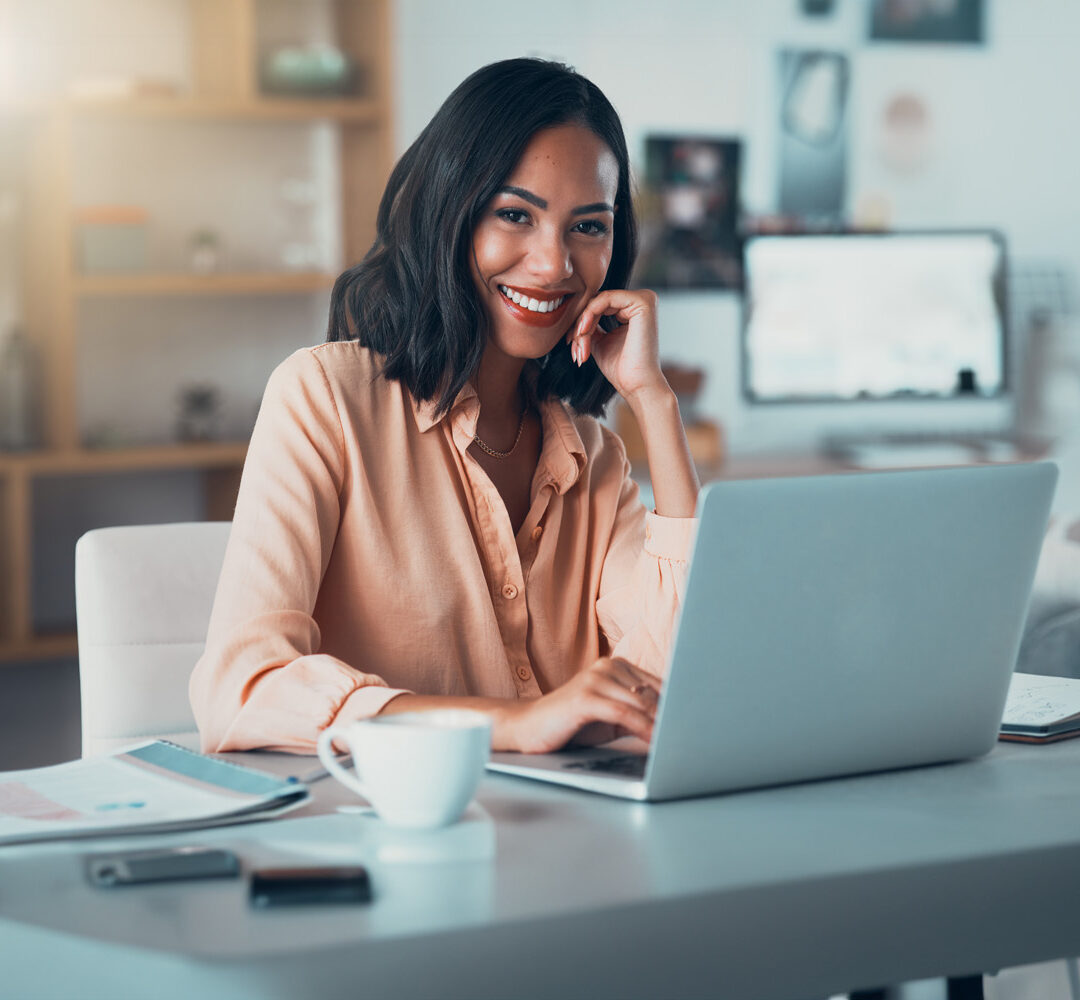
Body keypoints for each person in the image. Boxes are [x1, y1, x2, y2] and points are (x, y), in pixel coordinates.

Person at [189, 57, 701, 756]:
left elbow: (676, 685)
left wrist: (655, 402)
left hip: (574, 840)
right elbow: (241, 691)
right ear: (449, 213)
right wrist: (512, 724)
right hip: (382, 840)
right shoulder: (323, 401)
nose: (554, 265)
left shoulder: (595, 460)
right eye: (515, 215)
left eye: (588, 226)